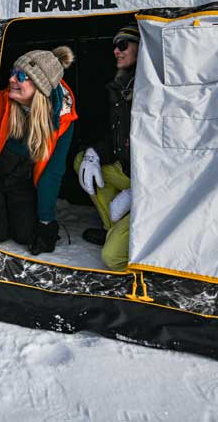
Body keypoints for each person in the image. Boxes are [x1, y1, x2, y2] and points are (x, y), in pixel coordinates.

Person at [0, 46, 77, 255]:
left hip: (20, 181)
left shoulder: (63, 118)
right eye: (13, 74)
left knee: (25, 235)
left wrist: (46, 222)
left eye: (20, 76)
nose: (11, 80)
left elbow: (52, 172)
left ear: (40, 86)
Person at [74, 21, 138, 271]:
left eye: (123, 45)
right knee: (82, 160)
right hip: (129, 174)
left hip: (157, 186)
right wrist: (94, 154)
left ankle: (125, 240)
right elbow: (117, 140)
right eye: (114, 46)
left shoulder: (155, 89)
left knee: (112, 259)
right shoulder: (122, 89)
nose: (116, 51)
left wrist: (139, 192)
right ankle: (112, 230)